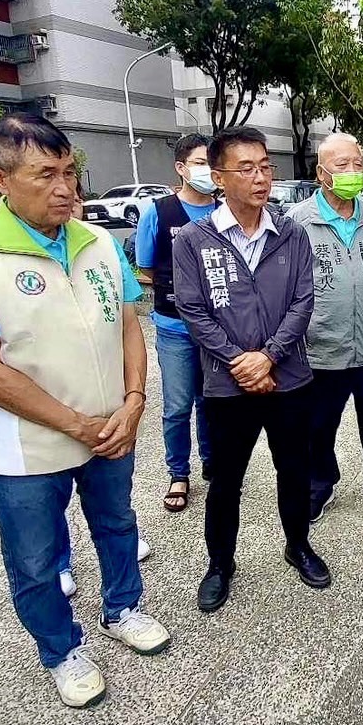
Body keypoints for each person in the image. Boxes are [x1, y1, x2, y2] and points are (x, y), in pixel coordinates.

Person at [0, 113, 169, 710]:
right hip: (29, 447)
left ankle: (123, 608)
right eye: (46, 174)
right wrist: (75, 424)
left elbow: (127, 325)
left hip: (112, 430)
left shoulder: (96, 243)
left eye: (70, 172)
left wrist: (135, 401)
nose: (65, 187)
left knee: (117, 527)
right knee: (37, 560)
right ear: (0, 179)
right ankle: (62, 649)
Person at [172, 125, 331, 612]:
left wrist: (269, 355)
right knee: (226, 480)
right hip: (227, 385)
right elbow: (193, 310)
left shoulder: (291, 233)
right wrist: (239, 361)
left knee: (293, 469)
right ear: (218, 177)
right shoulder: (194, 241)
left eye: (265, 166)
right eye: (246, 168)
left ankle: (298, 545)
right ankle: (220, 563)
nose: (260, 177)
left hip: (288, 378)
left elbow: (304, 300)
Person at [288, 133, 363, 523]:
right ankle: (319, 484)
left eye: (359, 163)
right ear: (322, 173)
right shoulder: (297, 223)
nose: (354, 171)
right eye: (343, 165)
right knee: (319, 425)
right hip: (322, 347)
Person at [132, 132, 217, 514]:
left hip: (219, 328)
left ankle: (212, 462)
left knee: (211, 401)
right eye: (200, 163)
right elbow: (146, 267)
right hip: (175, 328)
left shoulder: (225, 210)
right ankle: (178, 472)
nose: (208, 171)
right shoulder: (159, 212)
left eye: (212, 163)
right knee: (178, 404)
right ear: (181, 168)